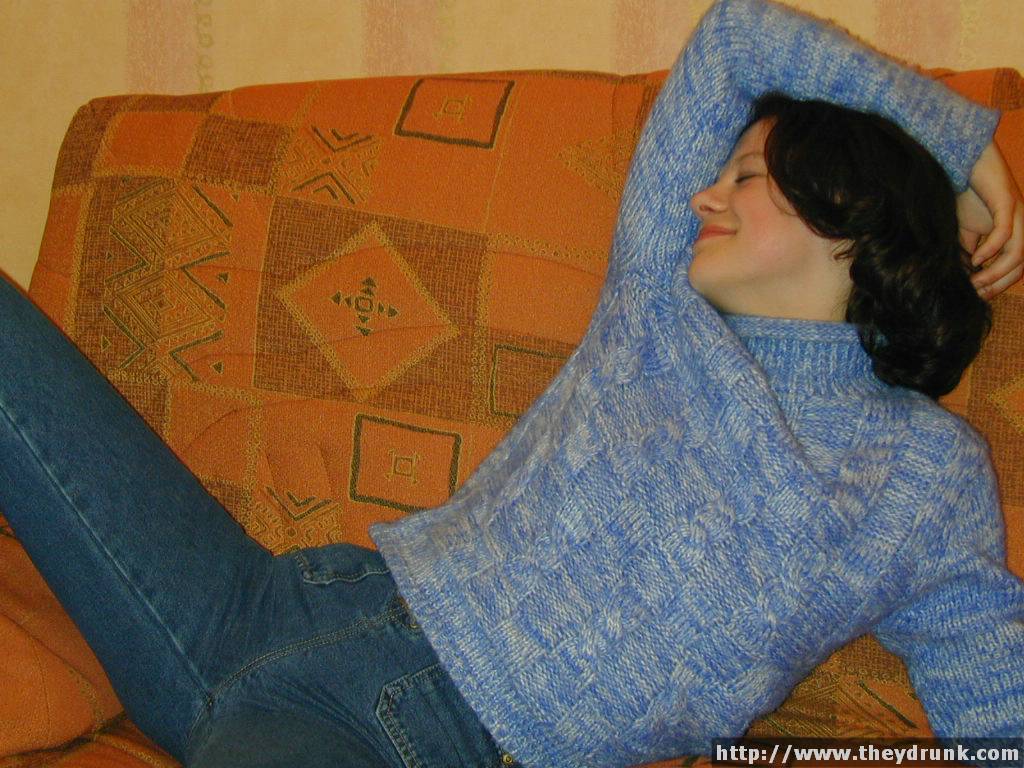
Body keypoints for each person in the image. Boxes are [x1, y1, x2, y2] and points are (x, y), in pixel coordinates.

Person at [0, 2, 1022, 768]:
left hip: (397, 734)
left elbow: (995, 705)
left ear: (851, 221)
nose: (704, 194)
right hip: (264, 604)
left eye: (745, 177)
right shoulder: (657, 305)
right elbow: (735, 36)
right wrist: (966, 147)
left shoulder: (922, 477)